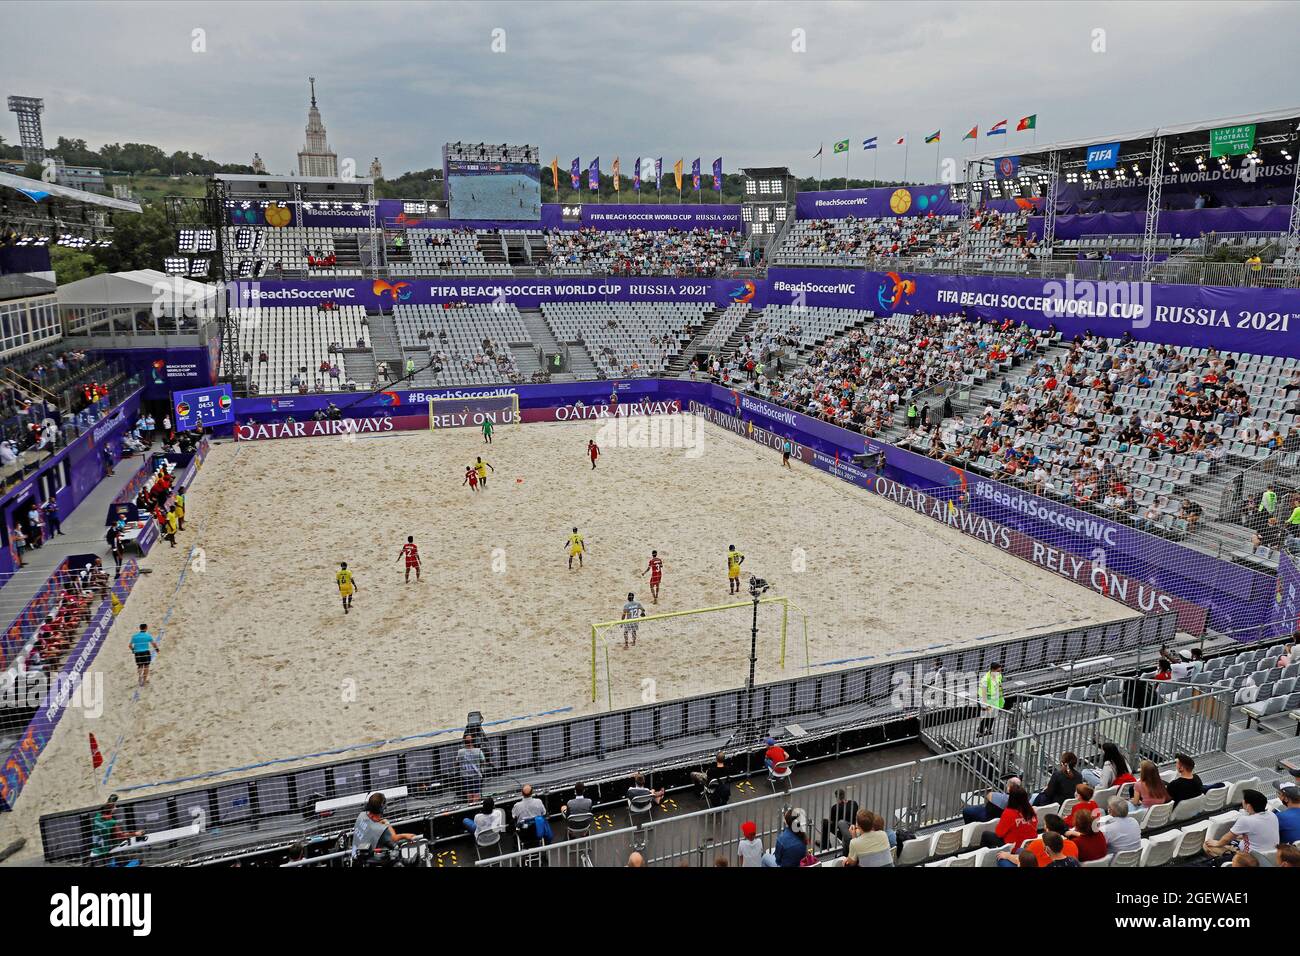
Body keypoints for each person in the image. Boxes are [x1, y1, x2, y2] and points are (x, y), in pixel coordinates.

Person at [1205, 789, 1279, 860]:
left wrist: (1217, 843)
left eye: (1244, 800)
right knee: (1238, 837)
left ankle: (1226, 861)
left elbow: (1226, 839)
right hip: (1271, 855)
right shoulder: (1272, 815)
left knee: (1207, 845)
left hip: (1251, 858)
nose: (1242, 801)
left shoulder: (1245, 820)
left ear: (1248, 806)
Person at [351, 792, 418, 864]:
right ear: (382, 808)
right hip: (369, 861)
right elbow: (394, 838)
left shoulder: (361, 816)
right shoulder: (380, 830)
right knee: (393, 853)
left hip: (355, 858)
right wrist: (404, 835)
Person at [90, 795, 144, 862]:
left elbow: (105, 807)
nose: (116, 808)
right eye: (114, 807)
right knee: (123, 839)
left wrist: (111, 800)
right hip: (105, 849)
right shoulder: (112, 822)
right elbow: (121, 836)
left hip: (95, 847)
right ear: (111, 809)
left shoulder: (98, 816)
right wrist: (136, 833)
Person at [457, 734, 487, 801]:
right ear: (473, 742)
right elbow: (483, 761)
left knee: (469, 794)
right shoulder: (478, 751)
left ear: (464, 742)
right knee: (476, 794)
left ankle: (470, 805)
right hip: (476, 775)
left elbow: (456, 763)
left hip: (466, 776)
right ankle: (475, 808)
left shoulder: (460, 752)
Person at [977, 662, 1004, 736]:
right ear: (992, 670)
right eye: (998, 671)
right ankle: (980, 731)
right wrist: (984, 705)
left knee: (993, 715)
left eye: (1000, 671)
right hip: (986, 700)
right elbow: (982, 693)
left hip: (994, 700)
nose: (999, 672)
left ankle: (989, 730)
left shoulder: (999, 676)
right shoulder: (985, 679)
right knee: (987, 716)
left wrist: (1001, 701)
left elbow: (999, 688)